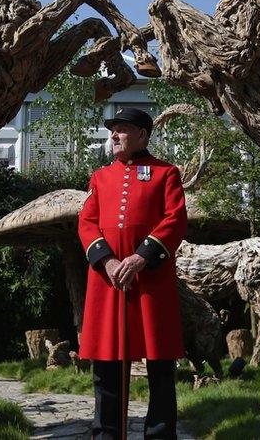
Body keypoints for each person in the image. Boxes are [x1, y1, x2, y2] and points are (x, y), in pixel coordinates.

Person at [78, 107, 187, 440]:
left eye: (122, 129)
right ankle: (107, 435)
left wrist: (142, 257)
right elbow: (86, 222)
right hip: (108, 282)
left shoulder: (166, 173)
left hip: (151, 281)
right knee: (107, 366)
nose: (114, 135)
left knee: (160, 367)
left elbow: (175, 220)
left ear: (142, 135)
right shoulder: (100, 177)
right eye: (112, 130)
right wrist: (108, 261)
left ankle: (159, 435)